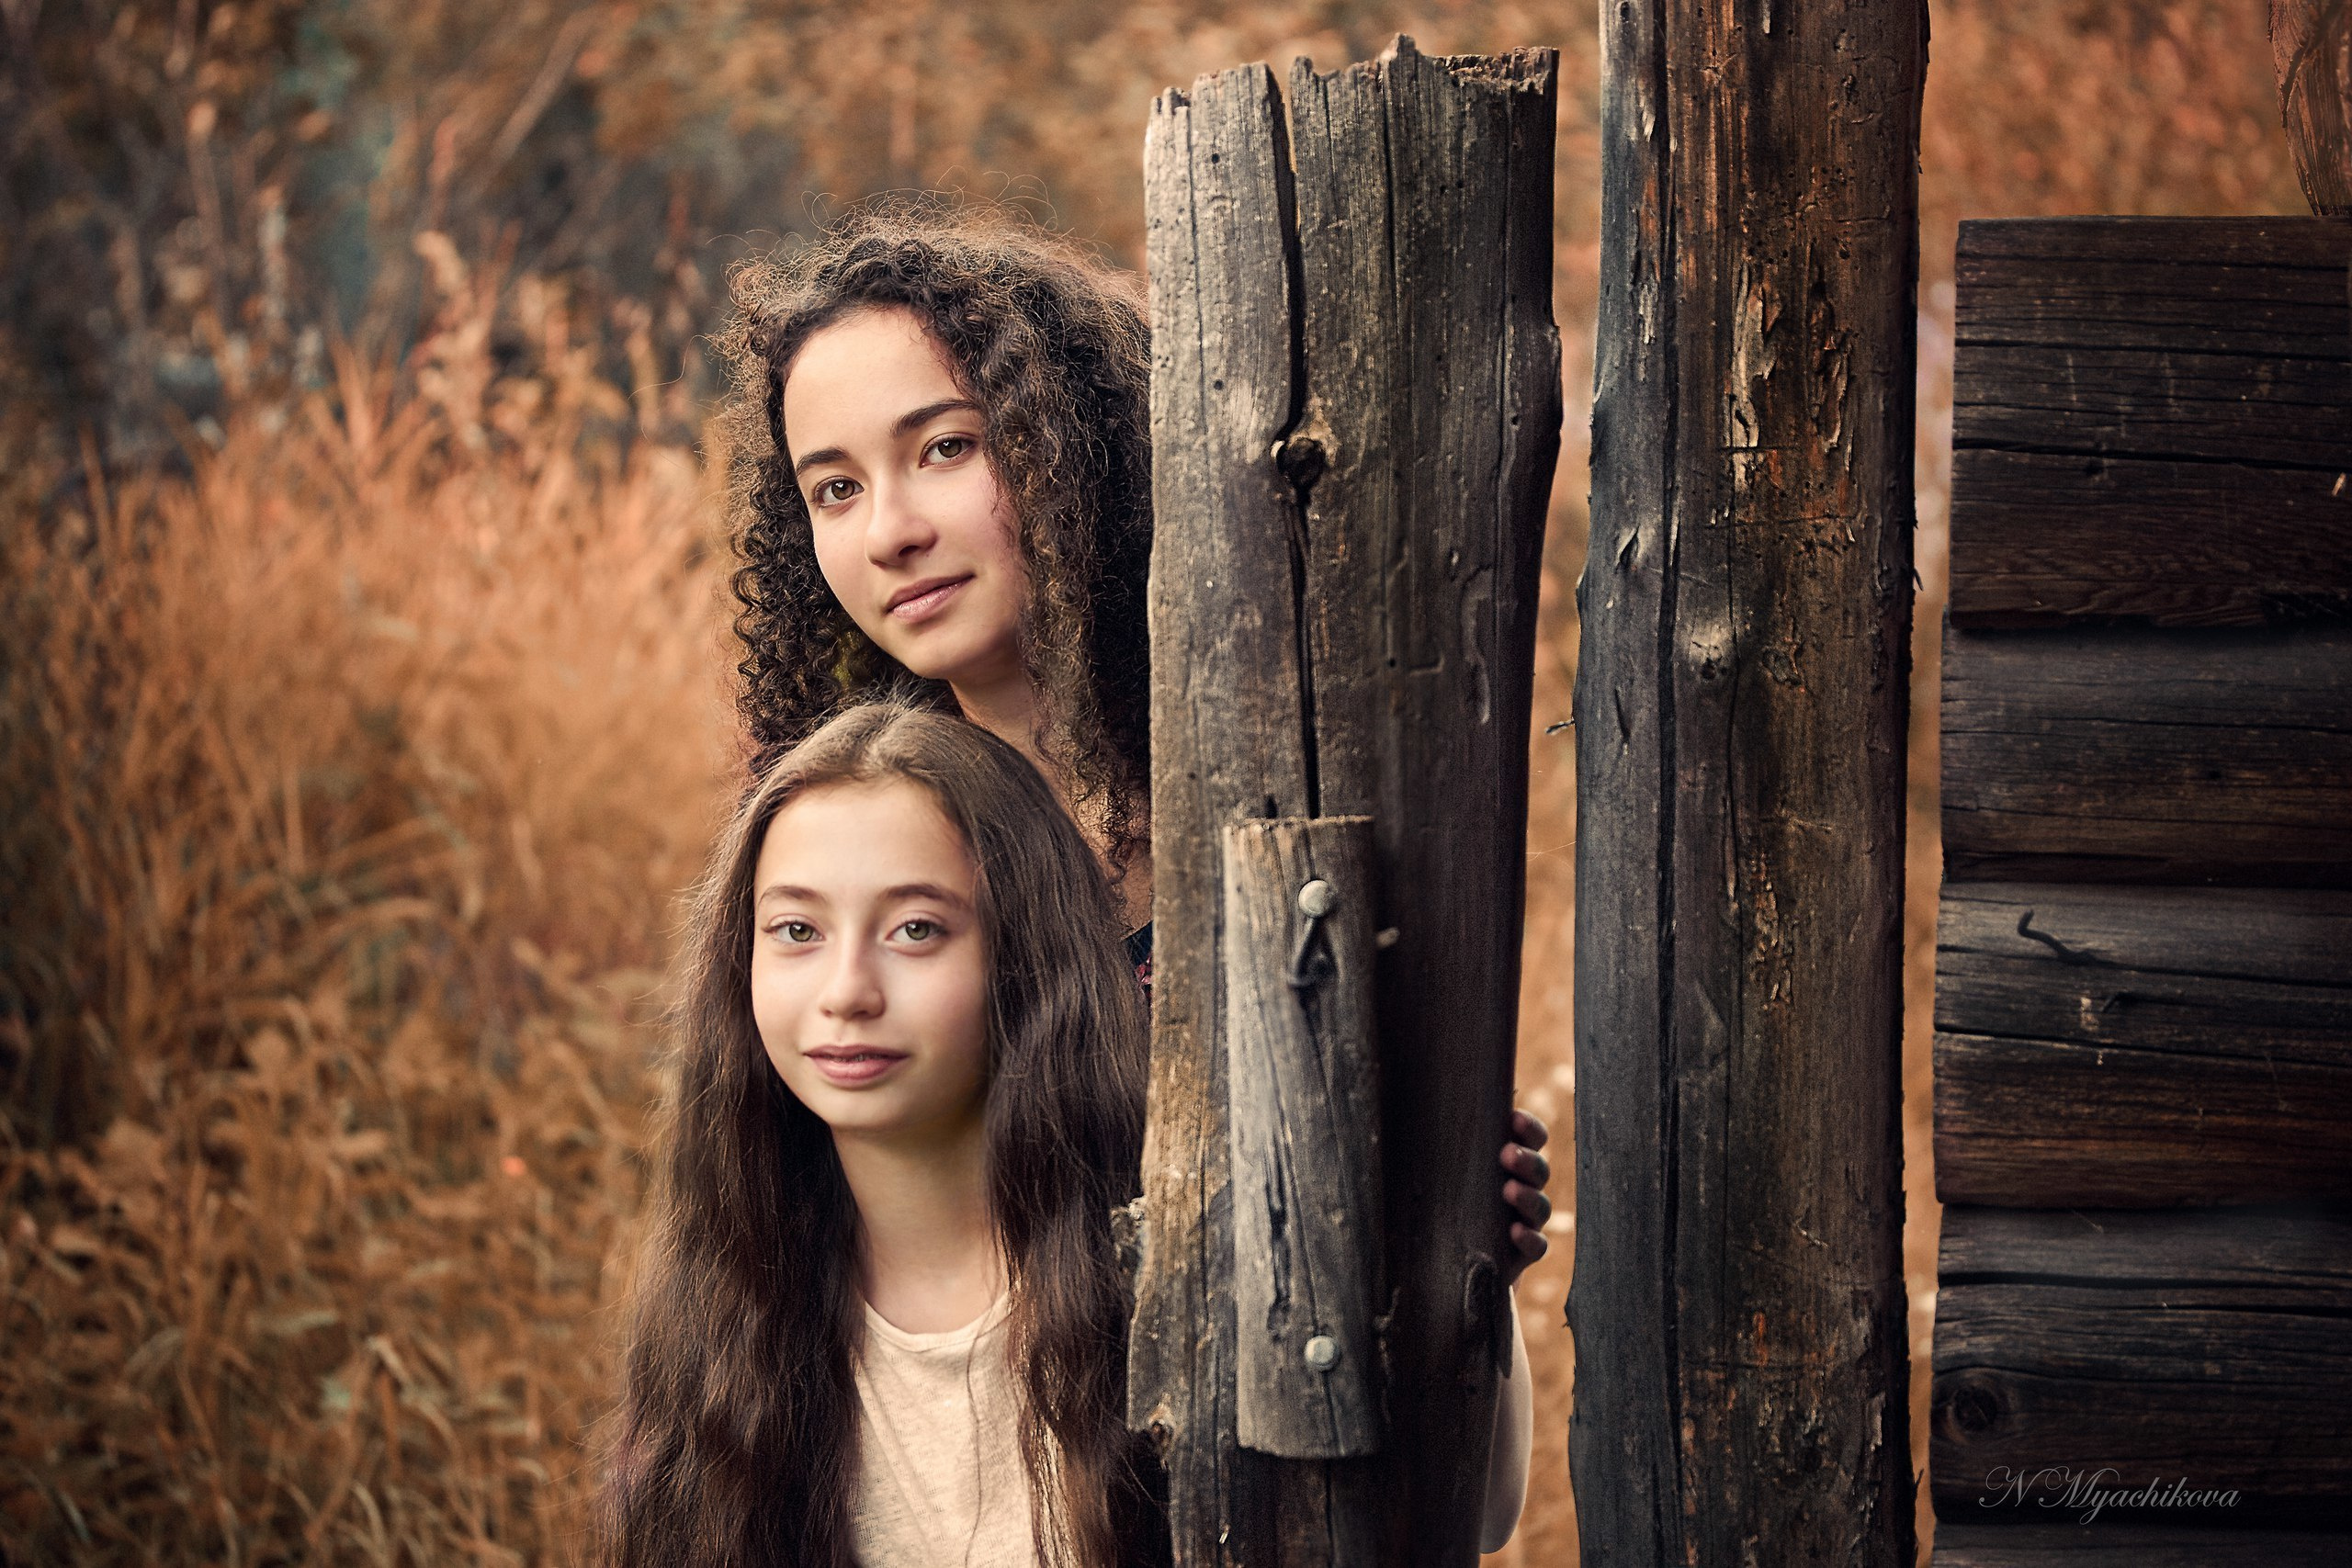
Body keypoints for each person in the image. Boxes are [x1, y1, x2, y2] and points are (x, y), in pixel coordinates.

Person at [718, 197, 1555, 1283]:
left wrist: (1449, 1190)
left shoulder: (1298, 775)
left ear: (1082, 442)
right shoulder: (845, 836)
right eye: (835, 487)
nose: (890, 531)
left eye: (946, 448)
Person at [598, 704, 1524, 1567]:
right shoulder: (729, 1297)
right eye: (795, 929)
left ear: (1027, 959)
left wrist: (1448, 1277)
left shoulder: (1174, 1247)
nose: (846, 991)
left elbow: (1474, 1513)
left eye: (917, 929)